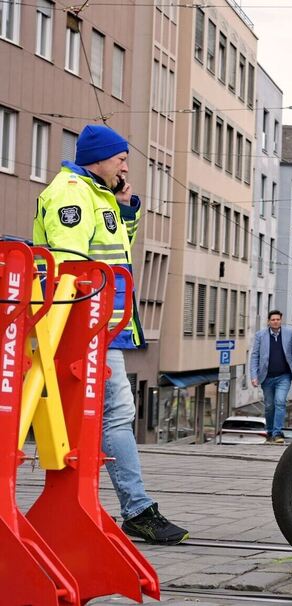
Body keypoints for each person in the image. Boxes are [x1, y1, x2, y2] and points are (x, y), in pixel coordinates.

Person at [33, 124, 189, 545]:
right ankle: (136, 509)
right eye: (120, 158)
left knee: (104, 415)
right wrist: (80, 329)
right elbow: (71, 267)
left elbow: (118, 253)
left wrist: (125, 210)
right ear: (98, 159)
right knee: (114, 413)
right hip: (85, 326)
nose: (125, 164)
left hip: (101, 326)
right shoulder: (71, 193)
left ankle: (116, 507)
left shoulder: (97, 195)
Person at [249, 310, 292, 443]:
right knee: (269, 406)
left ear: (281, 320)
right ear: (268, 321)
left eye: (278, 319)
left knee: (280, 402)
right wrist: (253, 376)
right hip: (266, 377)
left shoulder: (290, 334)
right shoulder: (260, 335)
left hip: (284, 376)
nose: (275, 321)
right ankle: (270, 431)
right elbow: (255, 355)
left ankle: (277, 433)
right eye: (273, 319)